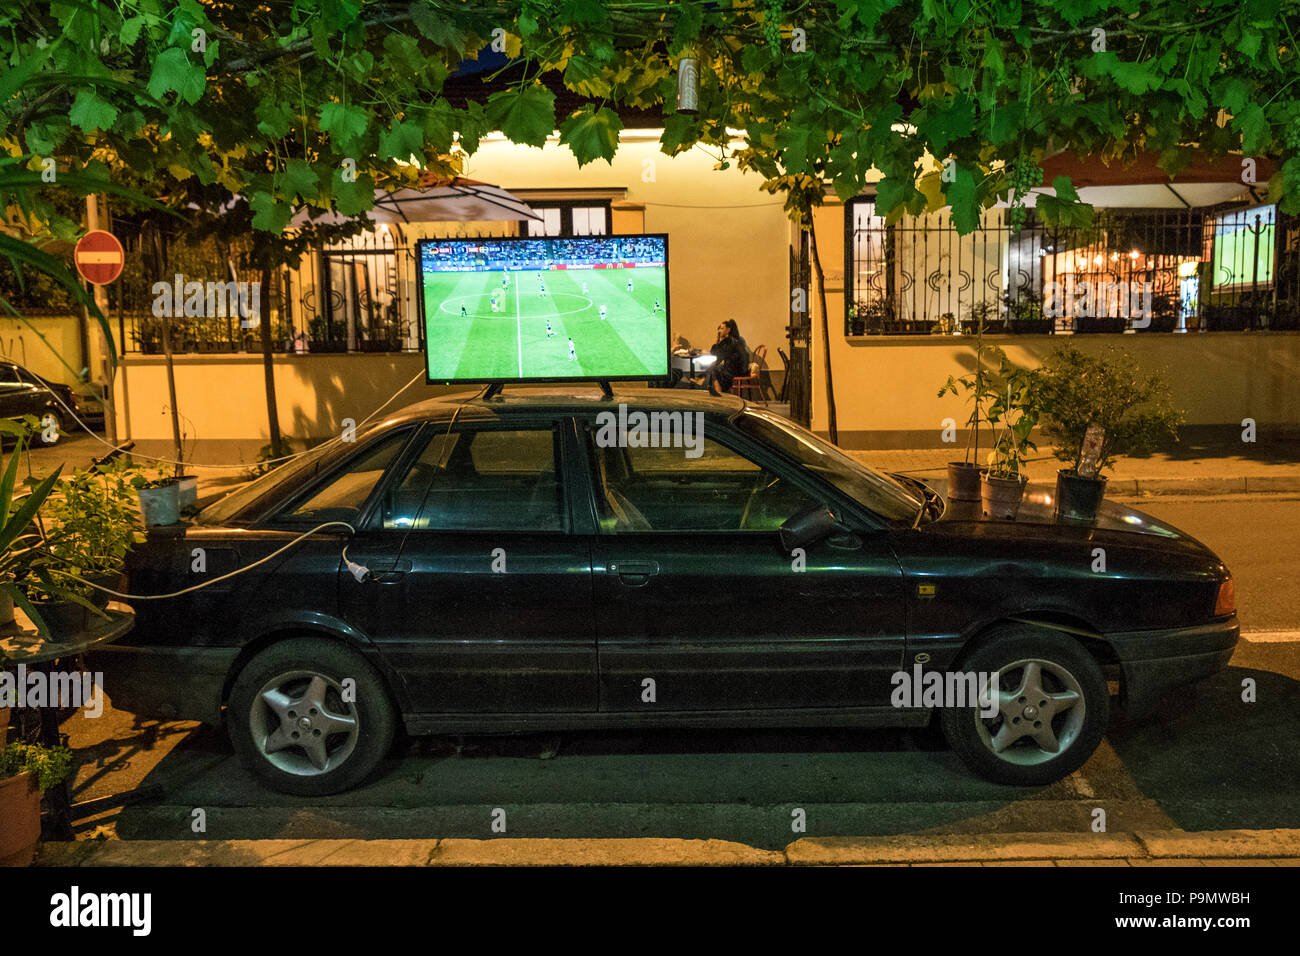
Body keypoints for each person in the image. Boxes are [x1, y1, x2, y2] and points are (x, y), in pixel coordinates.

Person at [707, 319, 748, 396]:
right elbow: (717, 354)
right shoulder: (725, 341)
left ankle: (719, 393)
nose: (719, 331)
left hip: (735, 368)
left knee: (714, 370)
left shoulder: (731, 341)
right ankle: (719, 392)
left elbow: (722, 356)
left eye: (722, 328)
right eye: (719, 328)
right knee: (713, 369)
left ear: (728, 330)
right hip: (728, 366)